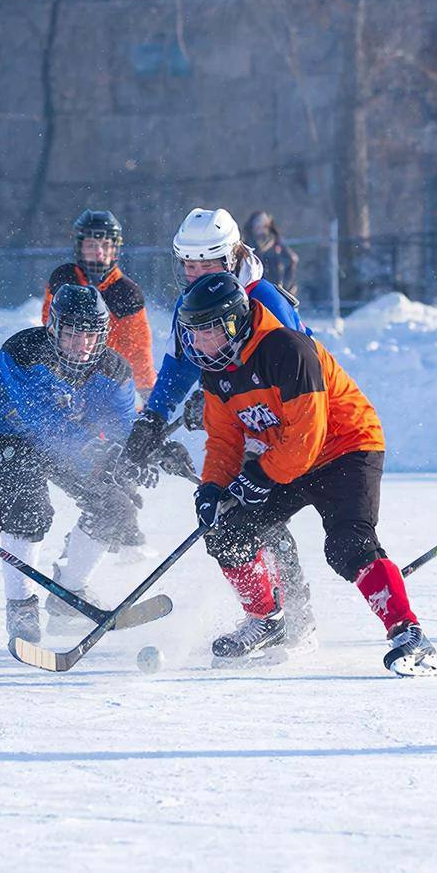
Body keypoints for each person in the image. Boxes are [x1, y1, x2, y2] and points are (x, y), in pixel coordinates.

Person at [179, 271, 437, 676]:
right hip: (285, 454)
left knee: (347, 544)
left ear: (234, 322)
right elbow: (224, 440)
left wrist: (262, 475)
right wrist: (212, 487)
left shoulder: (286, 349)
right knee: (227, 529)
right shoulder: (217, 370)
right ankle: (266, 619)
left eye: (207, 331)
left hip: (345, 448)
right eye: (192, 333)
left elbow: (308, 434)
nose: (197, 343)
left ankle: (409, 635)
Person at [122, 207, 312, 632]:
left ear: (231, 257)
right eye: (189, 265)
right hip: (239, 424)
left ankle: (297, 616)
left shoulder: (265, 298)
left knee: (263, 515)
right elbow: (179, 366)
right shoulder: (190, 304)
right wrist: (152, 419)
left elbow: (304, 372)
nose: (196, 273)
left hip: (284, 426)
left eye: (206, 263)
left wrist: (226, 399)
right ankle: (265, 614)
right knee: (225, 520)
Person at [0, 283, 141, 643]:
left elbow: (123, 429)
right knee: (29, 505)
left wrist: (134, 459)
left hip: (67, 446)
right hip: (4, 436)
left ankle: (69, 595)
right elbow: (43, 423)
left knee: (114, 505)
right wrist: (99, 454)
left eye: (91, 336)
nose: (82, 345)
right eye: (72, 334)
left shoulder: (115, 371)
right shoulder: (23, 351)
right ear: (54, 328)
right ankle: (20, 604)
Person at [42, 210, 156, 397]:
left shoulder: (126, 292)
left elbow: (137, 346)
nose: (99, 252)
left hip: (108, 379)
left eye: (105, 245)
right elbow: (49, 329)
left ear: (115, 249)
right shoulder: (64, 279)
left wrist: (145, 390)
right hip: (62, 372)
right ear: (80, 247)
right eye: (91, 245)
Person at [245, 209, 300, 298]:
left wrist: (286, 287)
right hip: (255, 291)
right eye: (257, 225)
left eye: (264, 225)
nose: (260, 228)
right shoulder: (247, 246)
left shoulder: (276, 243)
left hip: (277, 290)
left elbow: (293, 259)